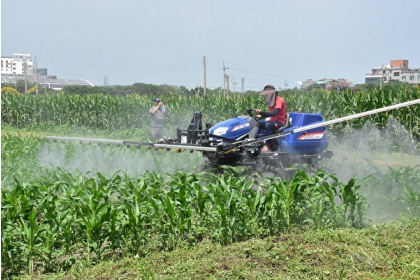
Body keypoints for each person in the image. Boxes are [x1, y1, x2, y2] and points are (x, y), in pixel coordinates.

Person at [255, 84, 287, 152]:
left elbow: (274, 113)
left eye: (268, 94)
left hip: (280, 122)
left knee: (268, 125)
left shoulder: (279, 100)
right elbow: (270, 114)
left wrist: (262, 113)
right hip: (272, 121)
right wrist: (261, 116)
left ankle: (267, 146)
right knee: (256, 123)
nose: (266, 96)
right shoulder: (271, 102)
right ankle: (255, 142)